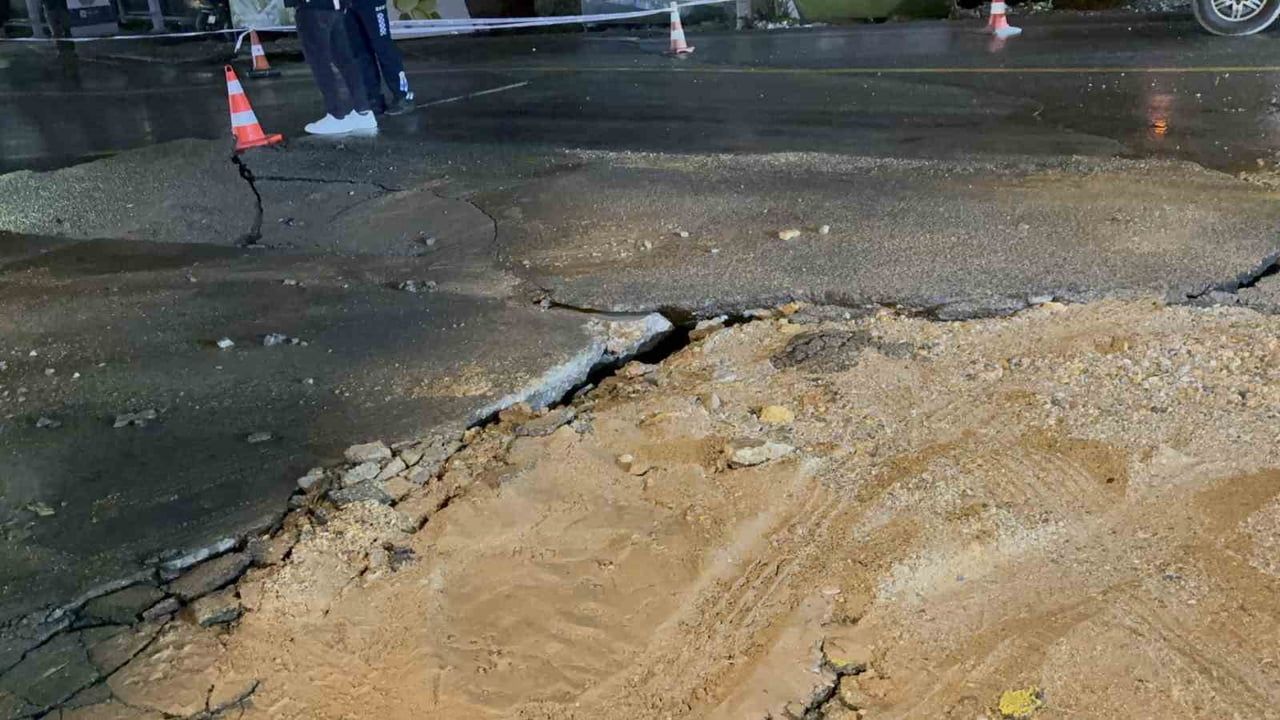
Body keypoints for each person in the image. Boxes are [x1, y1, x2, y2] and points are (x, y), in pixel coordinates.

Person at [285, 0, 378, 135]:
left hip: (312, 7)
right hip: (335, 6)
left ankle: (336, 115)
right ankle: (363, 111)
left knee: (320, 62)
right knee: (345, 60)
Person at [346, 0, 415, 116]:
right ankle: (373, 99)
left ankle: (403, 95)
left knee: (382, 45)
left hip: (372, 3)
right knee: (360, 50)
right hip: (347, 4)